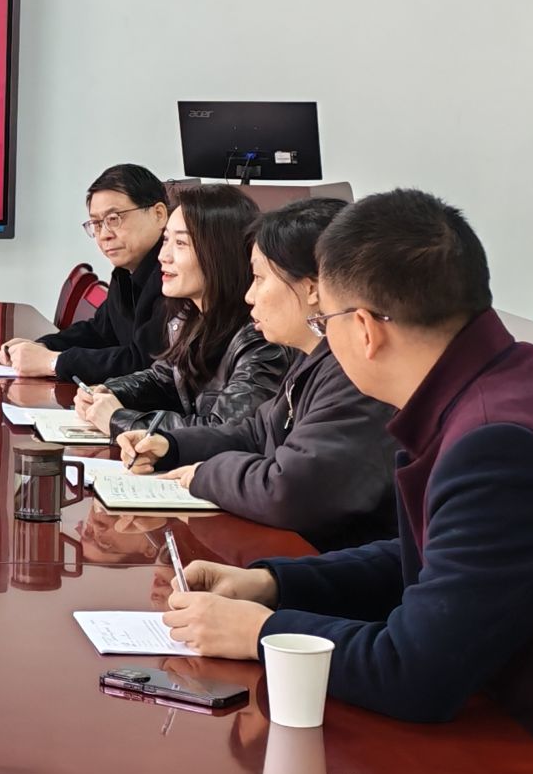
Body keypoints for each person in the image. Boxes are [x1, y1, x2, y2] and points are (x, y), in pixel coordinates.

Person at [162, 189, 533, 774]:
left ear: (365, 330)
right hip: (520, 712)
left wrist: (262, 633)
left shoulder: (500, 443)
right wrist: (274, 583)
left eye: (324, 324)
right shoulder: (496, 388)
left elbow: (415, 671)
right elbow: (429, 564)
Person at [117, 198, 397, 551]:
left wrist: (205, 473)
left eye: (259, 278)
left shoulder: (355, 373)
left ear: (313, 288)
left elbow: (287, 491)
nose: (249, 295)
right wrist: (172, 446)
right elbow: (257, 432)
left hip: (326, 563)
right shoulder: (313, 358)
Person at [76, 183, 296, 437]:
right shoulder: (189, 316)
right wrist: (109, 392)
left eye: (180, 243)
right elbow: (163, 379)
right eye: (166, 240)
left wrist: (119, 419)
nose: (163, 256)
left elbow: (223, 431)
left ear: (220, 252)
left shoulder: (262, 339)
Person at [0, 163, 170, 381]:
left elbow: (145, 363)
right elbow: (100, 332)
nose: (104, 235)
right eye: (96, 223)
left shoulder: (173, 276)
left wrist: (54, 362)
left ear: (158, 214)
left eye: (114, 219)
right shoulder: (125, 272)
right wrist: (42, 346)